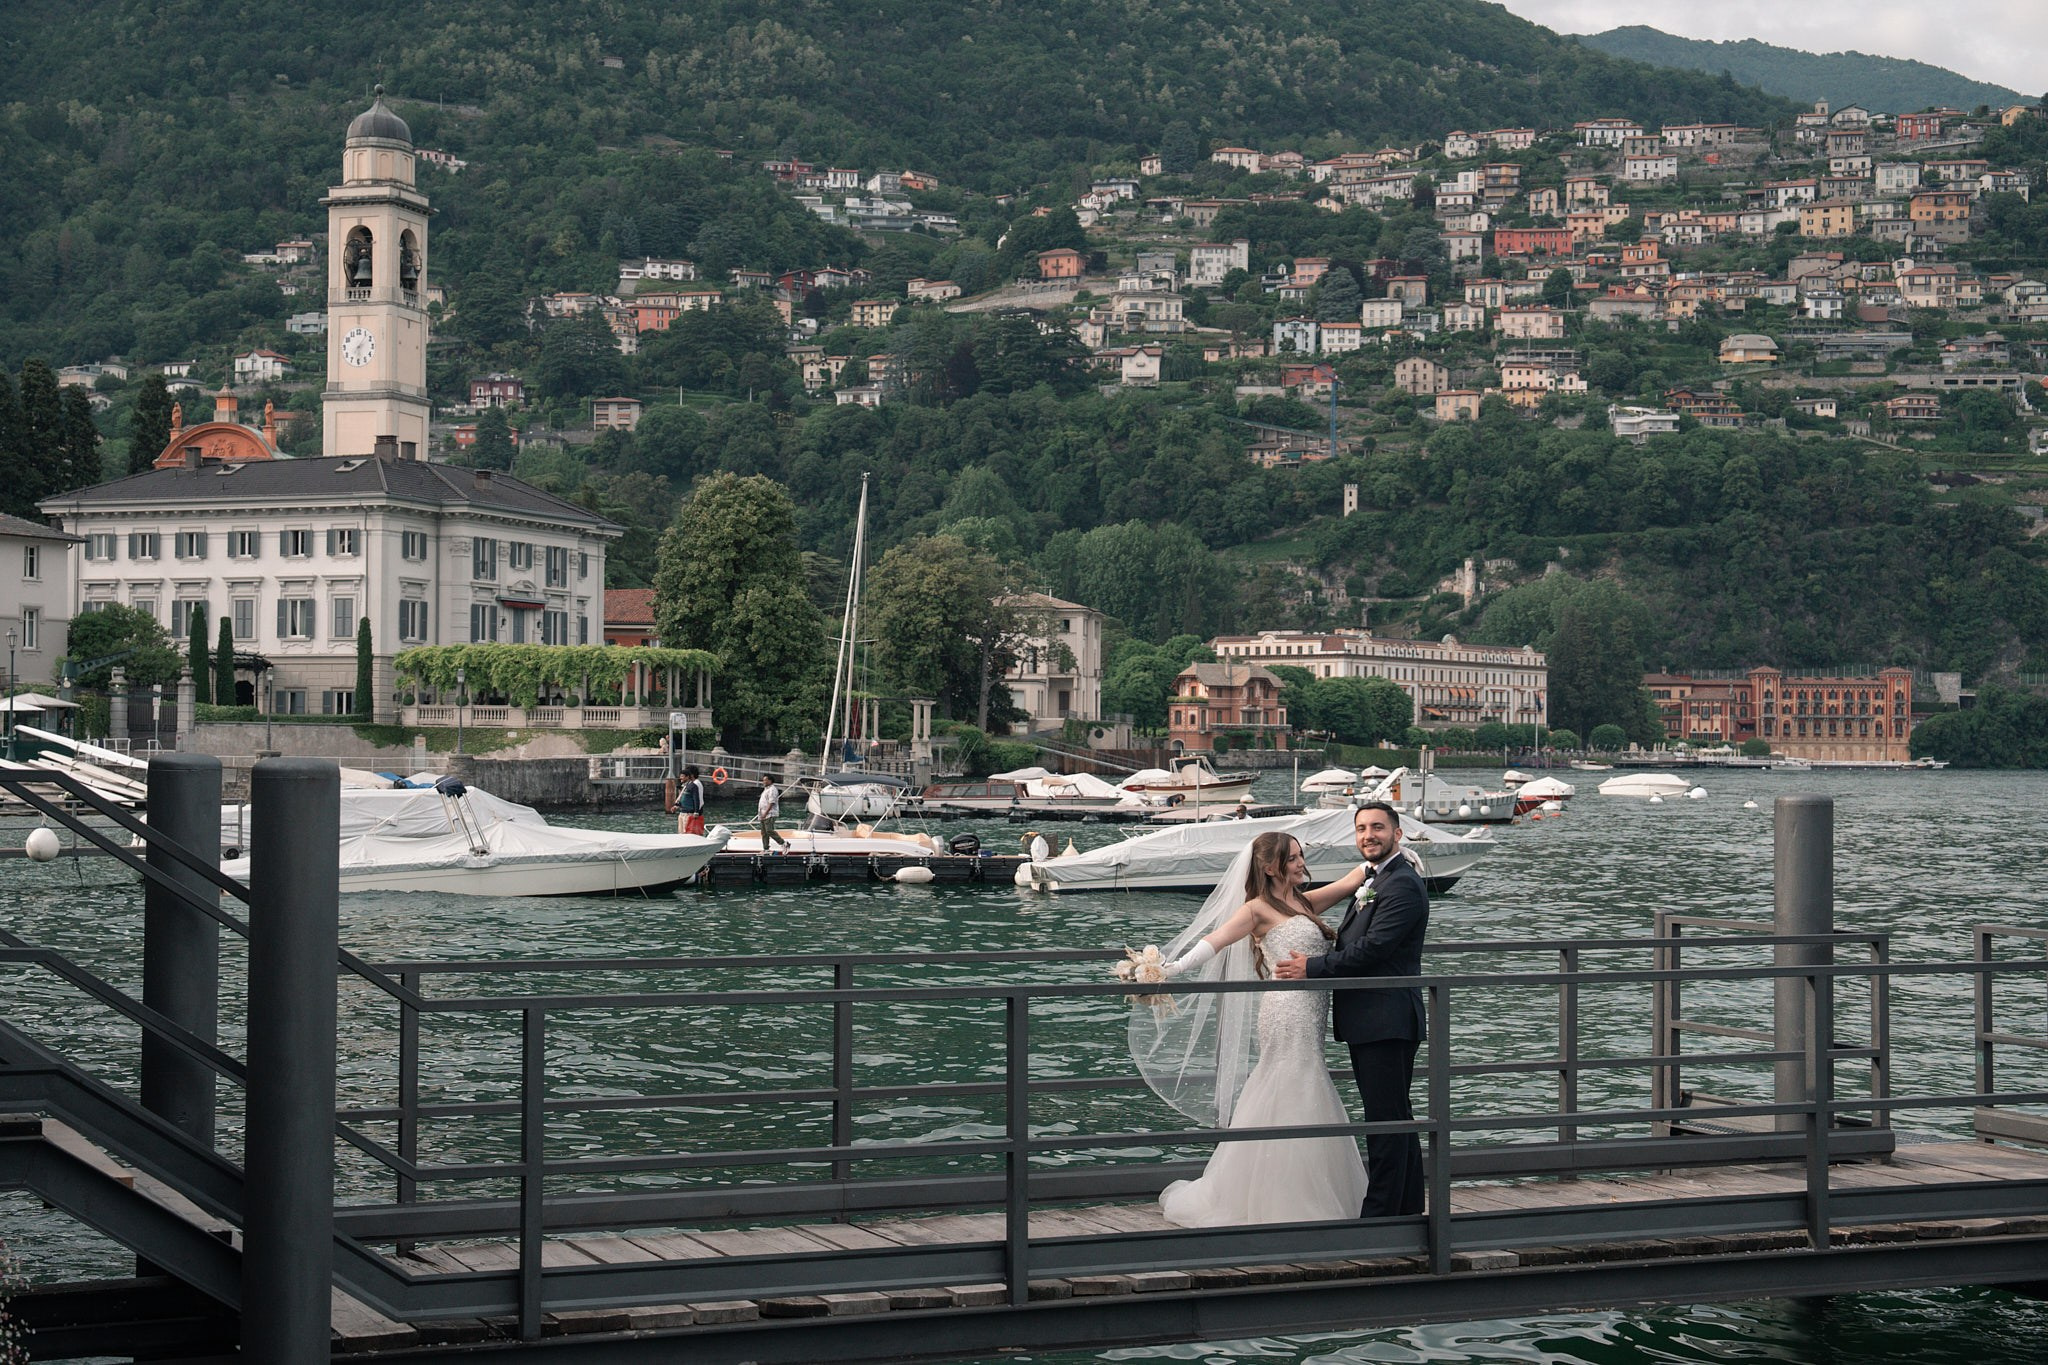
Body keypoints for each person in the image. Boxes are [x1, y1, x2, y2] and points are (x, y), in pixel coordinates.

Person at [1134, 831, 1373, 1226]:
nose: (1301, 863)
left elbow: (1350, 882)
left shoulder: (1301, 902)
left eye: (1300, 856)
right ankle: (1283, 1200)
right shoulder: (1257, 909)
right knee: (1292, 1084)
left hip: (1310, 1012)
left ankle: (1298, 1189)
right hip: (1285, 1010)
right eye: (1293, 858)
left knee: (1300, 1085)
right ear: (1269, 867)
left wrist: (1390, 860)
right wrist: (1170, 969)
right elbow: (1214, 940)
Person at [1273, 801, 1429, 1218]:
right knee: (1394, 1116)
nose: (1368, 835)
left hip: (1387, 1017)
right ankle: (1407, 1209)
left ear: (1398, 833)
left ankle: (1378, 1217)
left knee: (1384, 1121)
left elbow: (1373, 950)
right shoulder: (1379, 878)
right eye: (1361, 829)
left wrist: (1312, 967)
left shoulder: (1402, 885)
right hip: (1375, 1019)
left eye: (1378, 827)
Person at [756, 780, 790, 853]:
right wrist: (761, 814)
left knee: (769, 830)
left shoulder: (772, 790)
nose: (763, 781)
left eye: (765, 780)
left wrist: (765, 813)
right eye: (763, 780)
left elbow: (771, 803)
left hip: (770, 814)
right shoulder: (766, 789)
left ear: (770, 781)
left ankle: (784, 843)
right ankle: (766, 849)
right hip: (762, 814)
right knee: (764, 832)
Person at [676, 765, 707, 837]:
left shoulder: (696, 784)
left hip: (691, 812)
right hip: (686, 811)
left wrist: (696, 812)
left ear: (691, 775)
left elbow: (698, 799)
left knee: (689, 832)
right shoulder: (689, 784)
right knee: (683, 832)